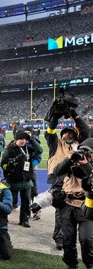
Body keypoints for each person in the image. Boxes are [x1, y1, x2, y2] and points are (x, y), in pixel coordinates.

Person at [45, 106, 89, 250]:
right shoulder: (55, 144)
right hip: (59, 179)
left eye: (70, 133)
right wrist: (54, 119)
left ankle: (80, 235)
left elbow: (85, 131)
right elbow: (50, 132)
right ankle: (59, 238)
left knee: (79, 209)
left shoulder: (80, 145)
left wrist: (75, 116)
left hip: (77, 180)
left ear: (75, 136)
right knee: (60, 211)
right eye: (65, 133)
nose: (67, 135)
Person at [51, 138, 93, 269]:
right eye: (82, 150)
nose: (83, 154)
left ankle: (90, 265)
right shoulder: (71, 160)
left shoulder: (90, 165)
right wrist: (68, 160)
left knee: (87, 239)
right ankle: (71, 265)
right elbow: (56, 171)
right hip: (67, 203)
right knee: (67, 239)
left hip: (86, 205)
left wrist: (86, 164)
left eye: (88, 152)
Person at [1, 130, 35, 227]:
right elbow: (2, 164)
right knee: (10, 201)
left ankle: (24, 220)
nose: (23, 141)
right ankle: (4, 218)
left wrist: (31, 139)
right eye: (20, 139)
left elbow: (39, 150)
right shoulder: (9, 149)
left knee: (26, 201)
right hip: (13, 180)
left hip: (27, 180)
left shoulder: (28, 148)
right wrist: (9, 165)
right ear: (16, 139)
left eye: (24, 139)